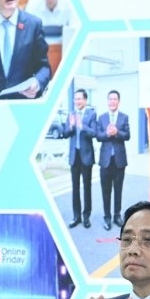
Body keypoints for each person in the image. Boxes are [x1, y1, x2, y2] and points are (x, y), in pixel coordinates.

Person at [59, 88, 98, 229]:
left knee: (87, 188)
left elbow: (94, 133)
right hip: (74, 157)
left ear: (85, 100)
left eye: (79, 99)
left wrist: (82, 126)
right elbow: (65, 134)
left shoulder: (91, 114)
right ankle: (76, 216)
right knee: (75, 188)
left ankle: (86, 216)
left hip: (86, 157)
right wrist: (70, 126)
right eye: (75, 99)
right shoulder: (71, 114)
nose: (77, 101)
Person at [96, 89, 131, 229]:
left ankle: (117, 215)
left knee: (118, 190)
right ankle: (107, 217)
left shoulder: (124, 117)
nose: (112, 101)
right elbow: (98, 136)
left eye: (115, 99)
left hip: (119, 161)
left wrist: (117, 132)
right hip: (105, 161)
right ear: (107, 101)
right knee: (106, 191)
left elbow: (127, 135)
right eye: (110, 99)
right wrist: (107, 133)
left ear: (118, 101)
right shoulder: (102, 118)